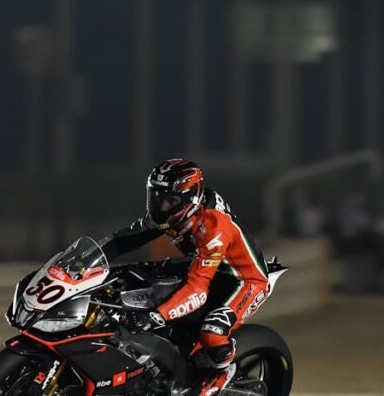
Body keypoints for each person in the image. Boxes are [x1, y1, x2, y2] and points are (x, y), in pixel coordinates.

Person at [101, 159, 270, 396]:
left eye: (169, 200)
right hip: (204, 265)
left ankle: (222, 373)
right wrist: (85, 261)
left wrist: (155, 317)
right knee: (137, 277)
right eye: (157, 197)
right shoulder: (176, 211)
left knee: (212, 331)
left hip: (242, 280)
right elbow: (124, 240)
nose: (161, 206)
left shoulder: (213, 228)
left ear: (190, 198)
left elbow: (198, 291)